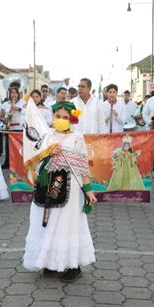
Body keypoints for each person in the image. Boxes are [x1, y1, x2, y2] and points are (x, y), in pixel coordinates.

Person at [23, 101, 97, 283]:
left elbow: (82, 167)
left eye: (65, 117)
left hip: (70, 192)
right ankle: (49, 262)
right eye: (58, 117)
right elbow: (33, 160)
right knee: (46, 223)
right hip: (46, 186)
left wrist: (89, 191)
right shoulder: (46, 136)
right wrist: (47, 152)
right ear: (53, 116)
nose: (61, 120)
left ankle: (73, 265)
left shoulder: (78, 138)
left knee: (67, 225)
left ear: (72, 118)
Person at [0, 87, 26, 168]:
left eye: (15, 92)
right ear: (9, 94)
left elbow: (27, 113)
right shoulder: (5, 104)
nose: (13, 94)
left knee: (19, 146)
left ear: (18, 94)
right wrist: (5, 120)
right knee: (8, 146)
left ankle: (18, 163)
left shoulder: (23, 103)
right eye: (12, 92)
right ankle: (7, 163)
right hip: (9, 127)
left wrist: (18, 109)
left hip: (19, 128)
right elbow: (1, 116)